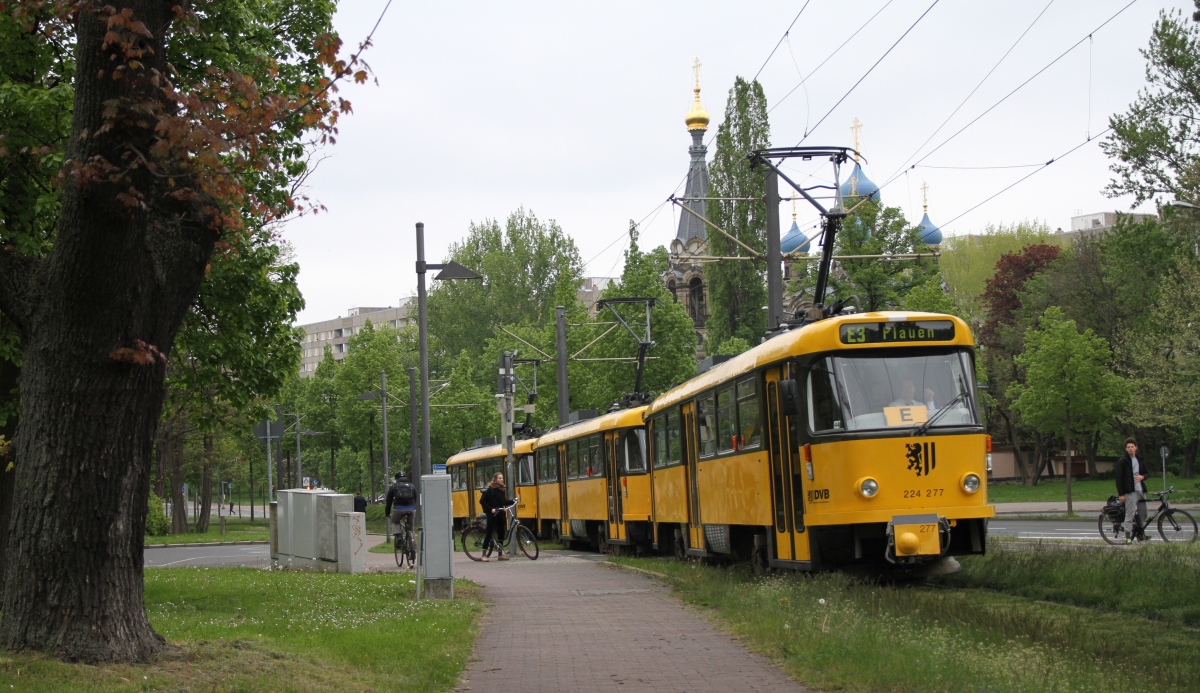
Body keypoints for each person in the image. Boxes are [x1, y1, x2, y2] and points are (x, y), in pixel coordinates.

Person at [1115, 438, 1148, 543]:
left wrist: (1142, 477)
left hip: (1140, 490)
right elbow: (1118, 478)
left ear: (1136, 447)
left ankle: (1140, 535)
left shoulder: (1139, 459)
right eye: (1128, 447)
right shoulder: (1123, 461)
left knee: (1143, 514)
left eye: (1132, 447)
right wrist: (1121, 494)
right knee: (1130, 514)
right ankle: (1128, 537)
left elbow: (1147, 473)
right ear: (1126, 449)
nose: (1130, 449)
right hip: (1130, 492)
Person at [479, 472, 509, 562]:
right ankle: (484, 555)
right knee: (489, 532)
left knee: (501, 532)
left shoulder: (501, 489)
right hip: (491, 513)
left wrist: (514, 501)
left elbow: (504, 502)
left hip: (500, 512)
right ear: (495, 479)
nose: (501, 480)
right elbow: (482, 501)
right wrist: (491, 509)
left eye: (502, 478)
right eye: (500, 478)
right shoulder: (491, 489)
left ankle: (500, 554)